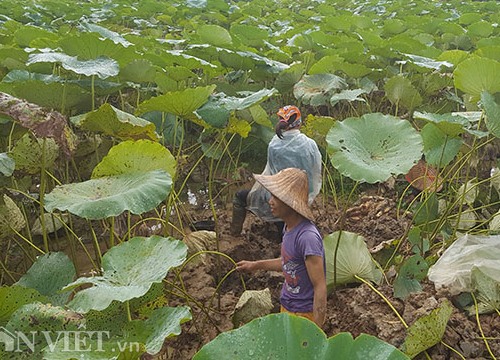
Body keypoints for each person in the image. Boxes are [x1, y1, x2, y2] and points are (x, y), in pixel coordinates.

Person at [236, 168, 327, 327]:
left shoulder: (307, 237)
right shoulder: (288, 227)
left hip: (304, 314)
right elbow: (288, 262)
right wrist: (255, 265)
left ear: (289, 202)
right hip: (287, 305)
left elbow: (320, 286)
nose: (270, 201)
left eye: (276, 197)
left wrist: (317, 331)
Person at [230, 105, 322, 236]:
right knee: (289, 232)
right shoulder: (310, 144)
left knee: (240, 197)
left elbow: (272, 175)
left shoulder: (274, 144)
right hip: (301, 198)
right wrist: (309, 196)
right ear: (299, 123)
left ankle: (234, 234)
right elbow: (315, 172)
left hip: (278, 197)